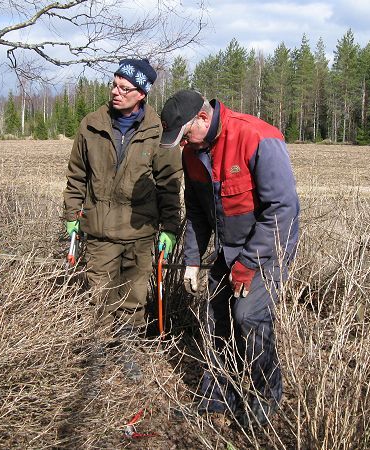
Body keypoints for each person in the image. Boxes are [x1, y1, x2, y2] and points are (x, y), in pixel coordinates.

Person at [160, 90, 300, 427]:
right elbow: (196, 211)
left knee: (249, 315)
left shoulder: (257, 137)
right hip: (229, 247)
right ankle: (218, 398)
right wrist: (192, 259)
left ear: (204, 119)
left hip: (269, 245)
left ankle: (264, 399)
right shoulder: (192, 153)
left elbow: (283, 210)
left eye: (185, 135)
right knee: (215, 315)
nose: (183, 144)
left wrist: (249, 264)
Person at [63, 59, 182, 380]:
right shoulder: (91, 124)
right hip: (99, 229)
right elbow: (76, 177)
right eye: (114, 84)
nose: (115, 92)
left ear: (141, 94)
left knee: (133, 297)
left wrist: (170, 229)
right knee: (98, 295)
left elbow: (170, 185)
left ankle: (126, 348)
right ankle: (98, 352)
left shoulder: (160, 132)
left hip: (140, 232)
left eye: (124, 88)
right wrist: (71, 217)